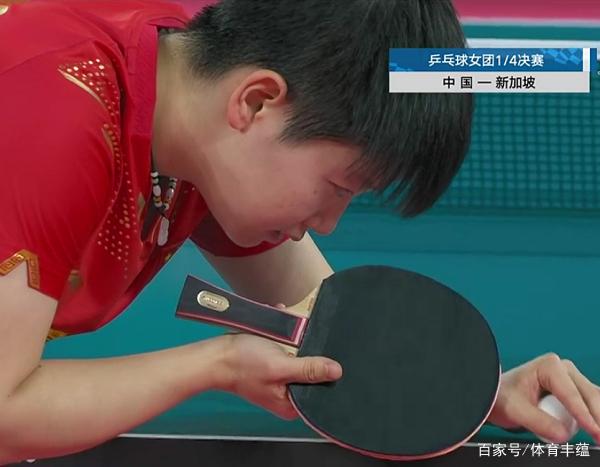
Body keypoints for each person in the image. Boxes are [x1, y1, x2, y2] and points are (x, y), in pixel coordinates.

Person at [0, 0, 598, 462]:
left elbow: (336, 336)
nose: (328, 224)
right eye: (339, 186)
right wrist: (218, 365)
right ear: (257, 102)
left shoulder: (187, 101)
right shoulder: (53, 116)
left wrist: (481, 395)